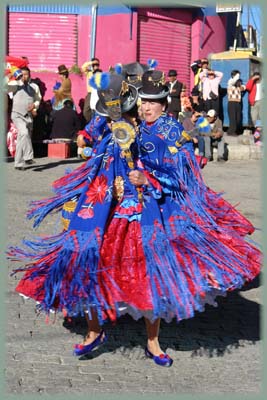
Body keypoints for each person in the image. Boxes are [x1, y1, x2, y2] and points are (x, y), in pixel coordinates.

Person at [9, 69, 261, 368]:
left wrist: (148, 179)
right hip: (109, 211)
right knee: (92, 264)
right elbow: (98, 130)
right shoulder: (131, 126)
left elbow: (183, 178)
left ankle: (153, 342)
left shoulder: (170, 133)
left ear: (164, 105)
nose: (146, 107)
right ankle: (94, 332)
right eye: (143, 101)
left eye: (153, 102)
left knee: (150, 276)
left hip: (150, 214)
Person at [5, 66, 42, 170]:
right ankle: (28, 157)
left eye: (26, 75)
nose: (24, 77)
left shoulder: (34, 87)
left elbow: (38, 99)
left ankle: (18, 163)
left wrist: (34, 106)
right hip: (17, 114)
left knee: (23, 138)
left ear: (30, 75)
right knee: (24, 133)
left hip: (28, 116)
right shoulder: (16, 85)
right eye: (22, 75)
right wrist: (9, 77)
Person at [81, 58, 102, 123]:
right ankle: (90, 122)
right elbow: (83, 67)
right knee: (86, 111)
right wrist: (91, 62)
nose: (95, 66)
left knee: (97, 110)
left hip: (98, 93)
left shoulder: (100, 73)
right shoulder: (89, 73)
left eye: (97, 64)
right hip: (90, 93)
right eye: (94, 64)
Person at [227, 70, 246, 136]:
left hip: (238, 103)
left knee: (238, 118)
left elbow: (243, 87)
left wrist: (240, 86)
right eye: (237, 76)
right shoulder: (230, 83)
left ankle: (232, 130)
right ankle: (232, 131)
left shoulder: (239, 84)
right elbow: (233, 81)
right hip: (231, 102)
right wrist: (237, 75)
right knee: (233, 118)